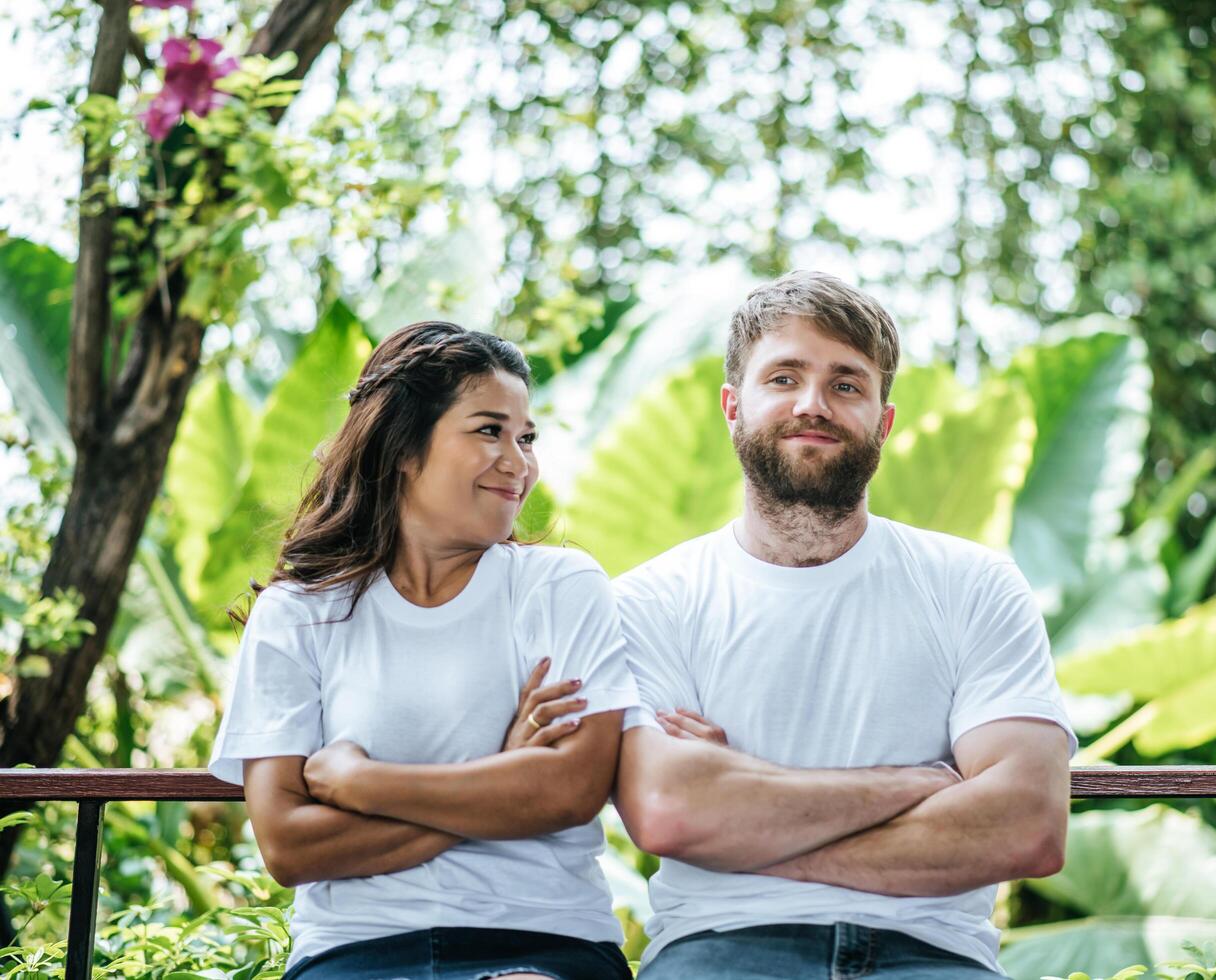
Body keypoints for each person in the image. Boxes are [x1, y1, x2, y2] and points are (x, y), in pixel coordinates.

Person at [612, 271, 1077, 979]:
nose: (812, 404)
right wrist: (917, 785)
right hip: (723, 950)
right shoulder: (650, 601)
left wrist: (744, 806)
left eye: (846, 384)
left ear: (883, 422)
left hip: (930, 957)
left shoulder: (973, 585)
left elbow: (1027, 826)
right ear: (732, 408)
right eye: (784, 377)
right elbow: (670, 814)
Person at [208, 321, 639, 980]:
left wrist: (361, 784)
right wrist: (502, 775)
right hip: (352, 953)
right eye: (488, 430)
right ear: (403, 448)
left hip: (540, 942)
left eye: (526, 438)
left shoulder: (559, 586)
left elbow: (568, 792)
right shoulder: (296, 614)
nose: (518, 462)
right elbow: (289, 845)